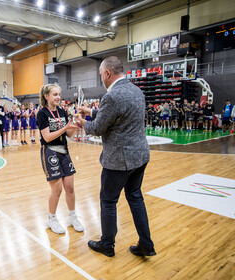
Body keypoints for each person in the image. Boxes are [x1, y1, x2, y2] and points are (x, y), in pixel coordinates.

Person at [76, 56, 155, 258]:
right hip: (140, 156)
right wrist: (92, 111)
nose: (102, 78)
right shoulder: (136, 91)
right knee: (135, 197)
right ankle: (146, 244)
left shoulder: (111, 96)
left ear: (108, 73)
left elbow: (98, 128)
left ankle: (107, 244)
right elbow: (119, 115)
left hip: (119, 160)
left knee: (108, 201)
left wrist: (82, 121)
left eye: (101, 74)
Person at [37, 84, 84, 235]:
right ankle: (51, 218)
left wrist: (75, 124)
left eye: (59, 94)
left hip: (64, 151)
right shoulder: (42, 114)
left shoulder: (63, 112)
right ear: (46, 96)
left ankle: (72, 217)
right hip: (50, 151)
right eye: (55, 94)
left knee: (69, 187)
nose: (58, 97)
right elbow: (47, 137)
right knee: (56, 189)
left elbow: (68, 135)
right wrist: (65, 128)